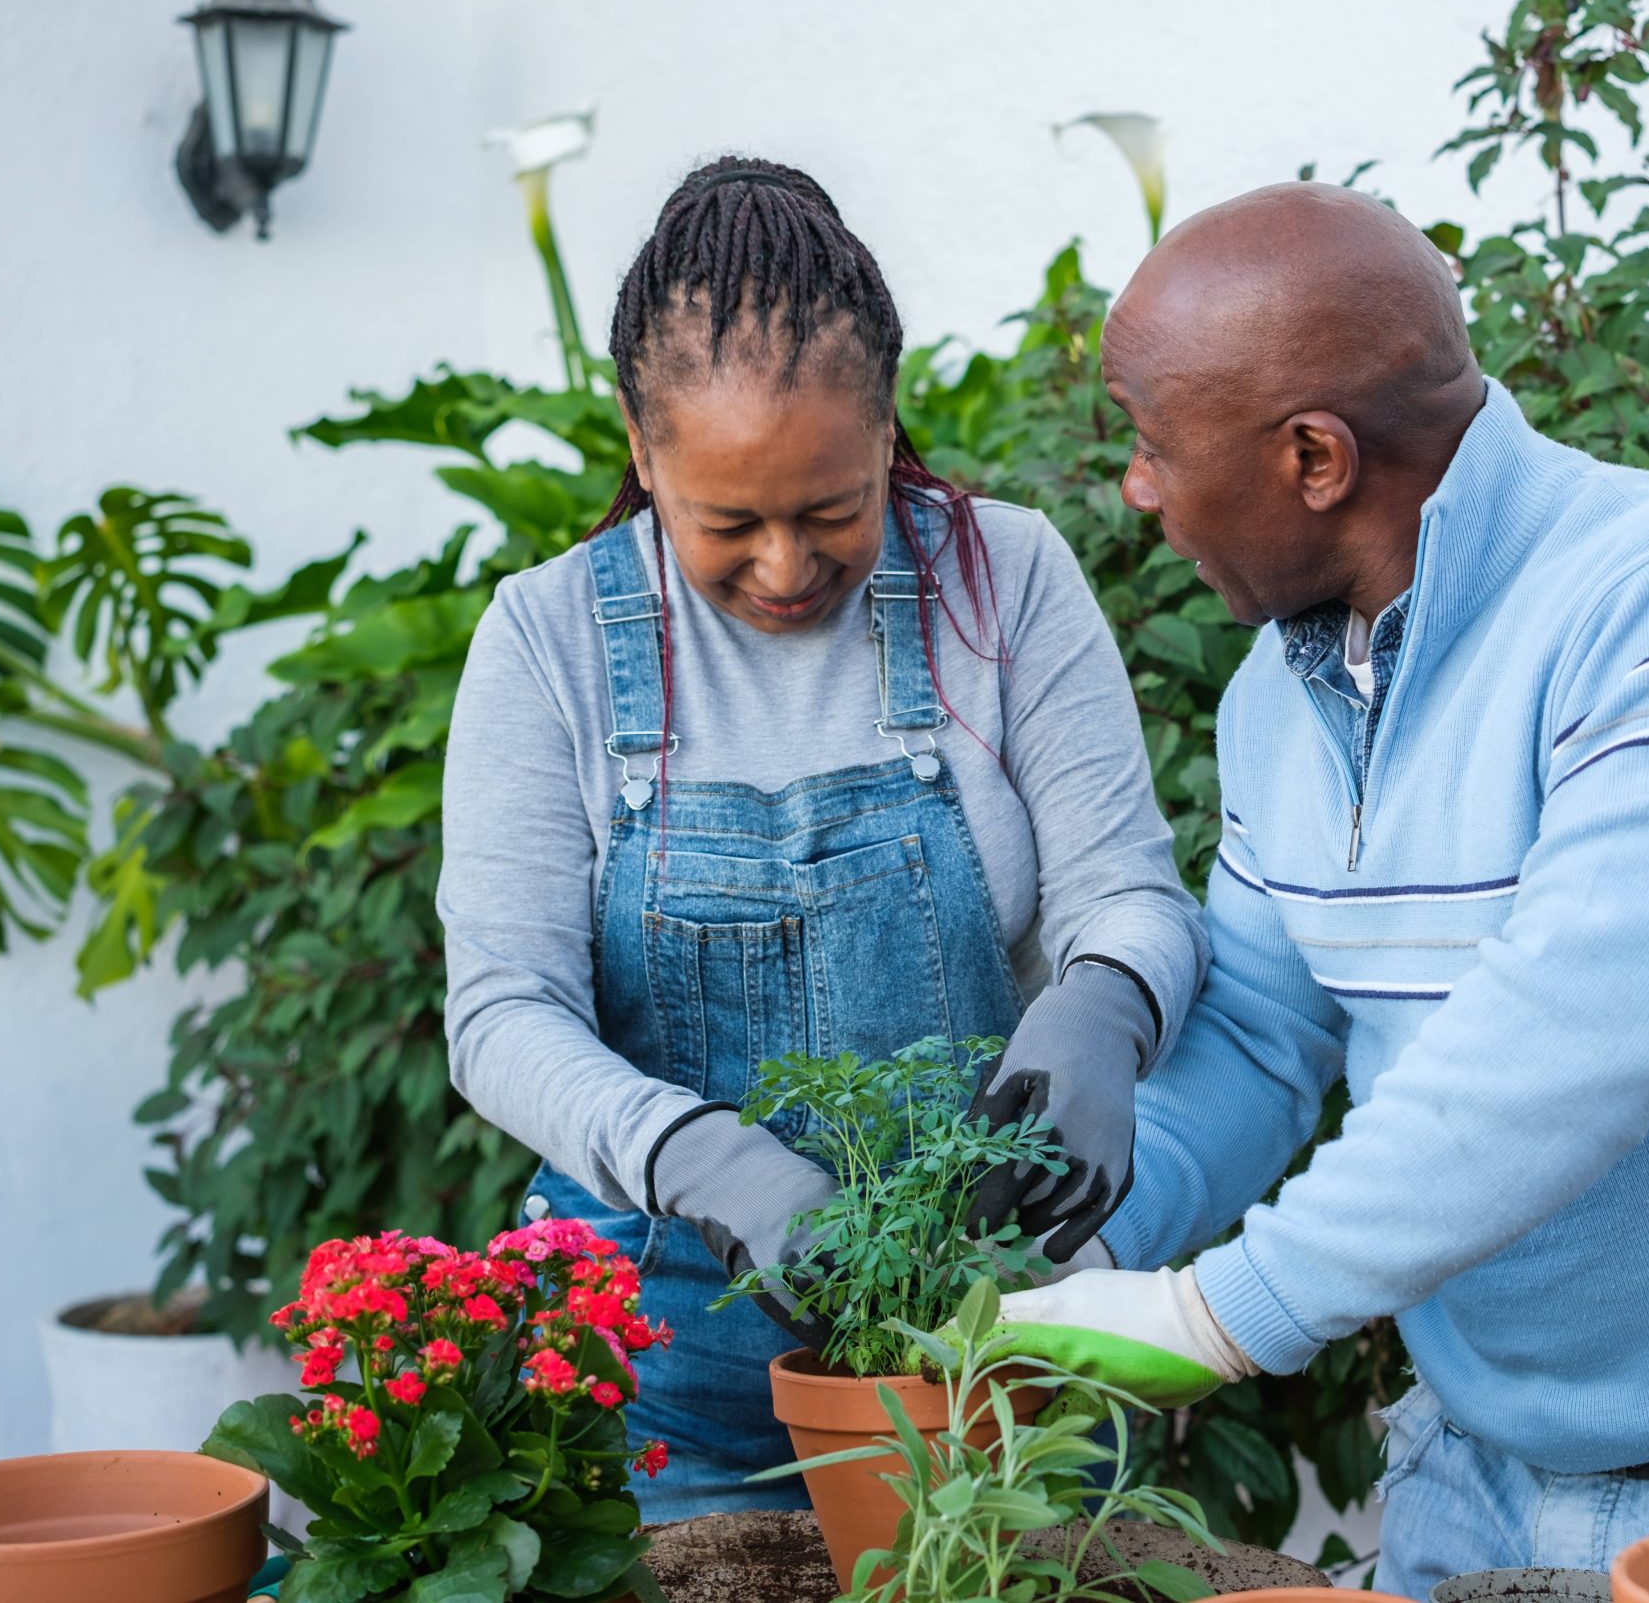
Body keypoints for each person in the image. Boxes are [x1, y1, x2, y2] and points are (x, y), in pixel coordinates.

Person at [1001, 183, 1649, 1597]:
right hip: (1464, 1469)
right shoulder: (1285, 693)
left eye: (1155, 446)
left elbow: (1581, 1036)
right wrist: (1056, 1261)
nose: (1135, 488)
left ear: (1315, 458)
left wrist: (1216, 1315)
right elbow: (1267, 1033)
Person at [439, 156, 1205, 1518]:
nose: (785, 568)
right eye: (725, 522)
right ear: (638, 445)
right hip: (647, 1375)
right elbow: (502, 1010)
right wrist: (699, 1153)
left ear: (888, 425)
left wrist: (1106, 1008)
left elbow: (1126, 894)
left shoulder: (1003, 580)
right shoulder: (547, 642)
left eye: (833, 510)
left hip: (969, 1362)